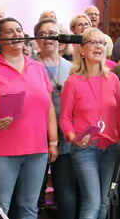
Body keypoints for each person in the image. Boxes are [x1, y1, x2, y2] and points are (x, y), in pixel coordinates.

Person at [0, 17, 58, 218]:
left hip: (37, 150)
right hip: (1, 152)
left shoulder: (37, 67)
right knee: (1, 207)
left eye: (19, 30)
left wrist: (52, 141)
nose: (16, 34)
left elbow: (49, 107)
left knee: (29, 206)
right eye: (10, 31)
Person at [60, 27, 120, 219]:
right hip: (85, 148)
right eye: (93, 42)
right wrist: (73, 138)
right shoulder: (73, 81)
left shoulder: (112, 79)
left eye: (102, 43)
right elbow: (64, 118)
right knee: (93, 202)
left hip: (110, 147)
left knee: (104, 202)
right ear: (82, 50)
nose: (99, 46)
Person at [33, 19, 78, 219]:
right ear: (37, 40)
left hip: (66, 136)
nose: (48, 38)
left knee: (65, 190)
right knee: (33, 191)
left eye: (53, 33)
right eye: (44, 34)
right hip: (36, 136)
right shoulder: (30, 66)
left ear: (59, 40)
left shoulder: (72, 68)